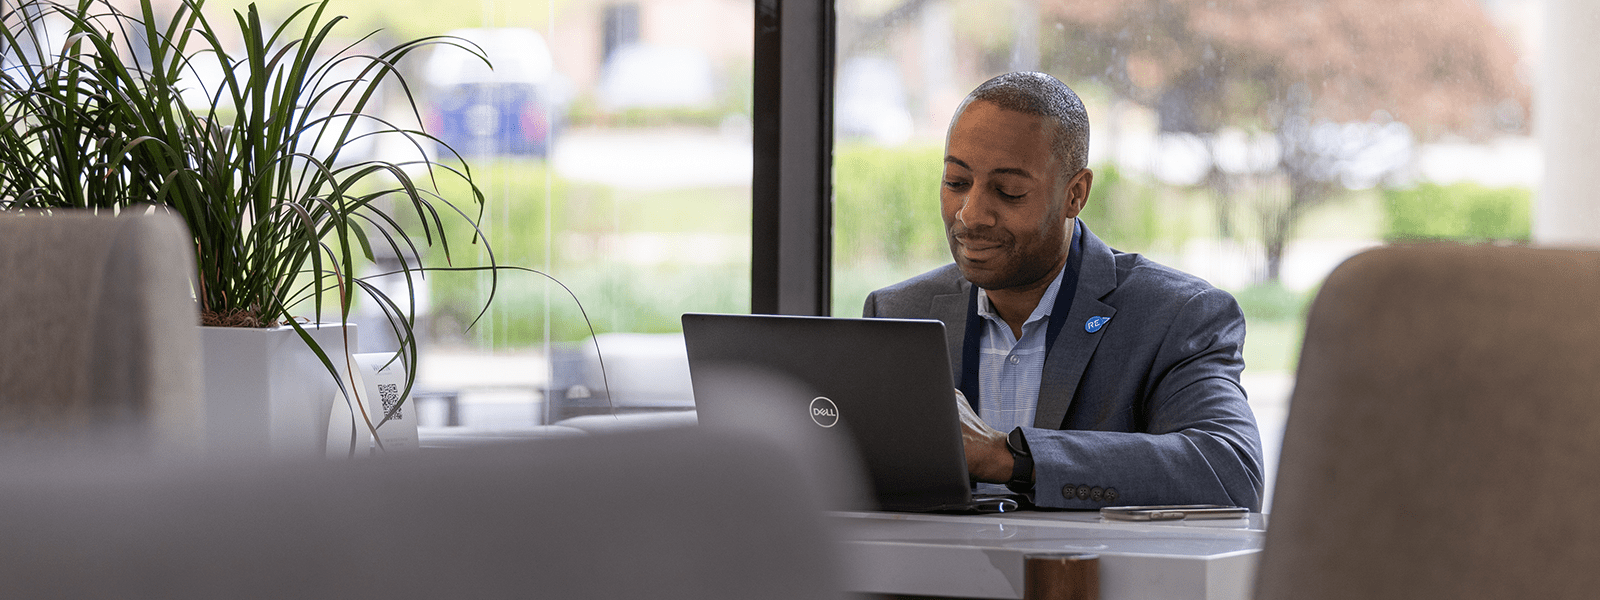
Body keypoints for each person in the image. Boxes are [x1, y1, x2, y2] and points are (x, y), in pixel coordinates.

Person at [862, 72, 1264, 511]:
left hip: (1088, 578)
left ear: (1075, 194)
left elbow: (1232, 472)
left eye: (1009, 191)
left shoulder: (1176, 316)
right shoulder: (898, 312)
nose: (971, 214)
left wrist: (1009, 457)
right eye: (956, 182)